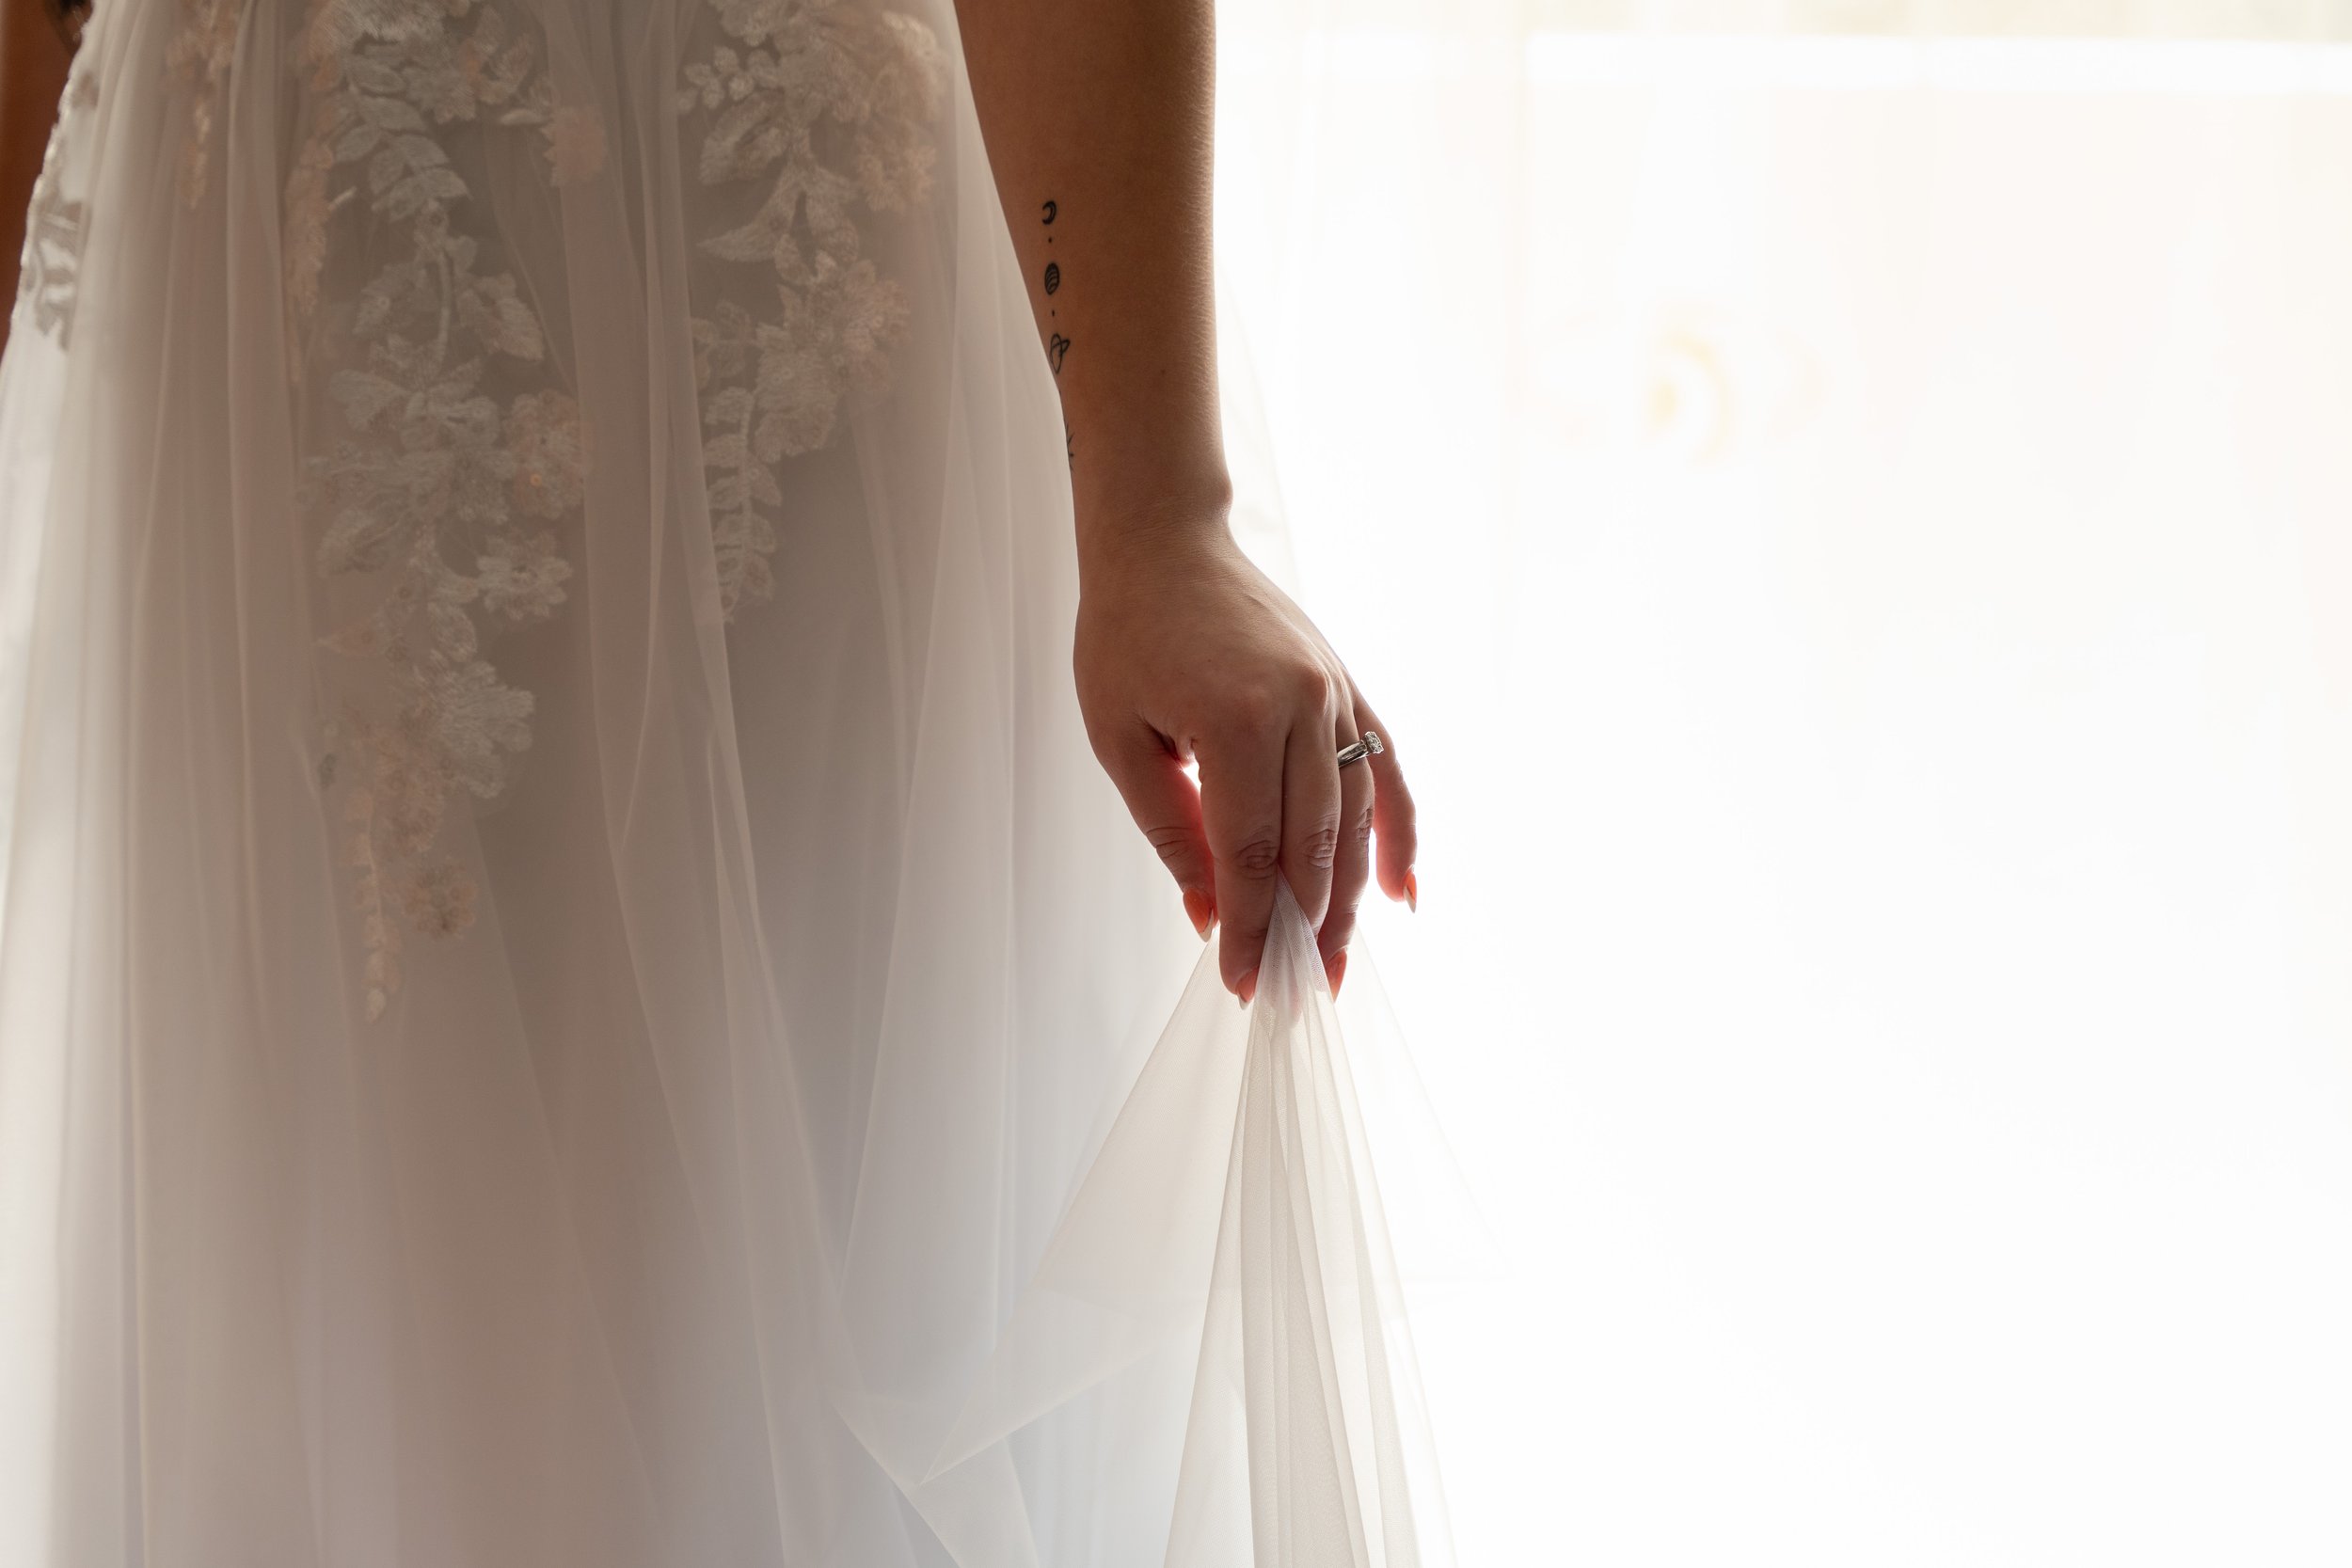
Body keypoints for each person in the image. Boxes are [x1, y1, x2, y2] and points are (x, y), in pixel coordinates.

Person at [0, 0, 1418, 1561]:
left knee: (726, 1319)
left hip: (736, 274)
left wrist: (1163, 513)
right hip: (235, 342)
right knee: (276, 1317)